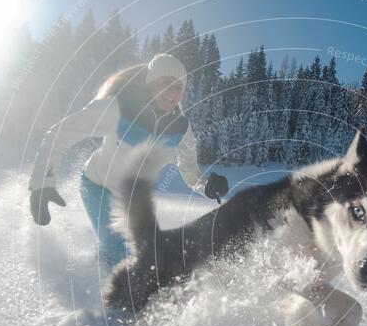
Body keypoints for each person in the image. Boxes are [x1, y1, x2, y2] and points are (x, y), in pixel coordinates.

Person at [28, 53, 228, 268]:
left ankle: (103, 262)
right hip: (97, 187)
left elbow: (190, 173)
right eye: (165, 83)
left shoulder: (180, 128)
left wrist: (206, 186)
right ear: (150, 83)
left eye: (179, 86)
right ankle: (111, 289)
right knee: (123, 256)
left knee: (148, 252)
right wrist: (42, 183)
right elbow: (59, 135)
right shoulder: (118, 109)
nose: (172, 91)